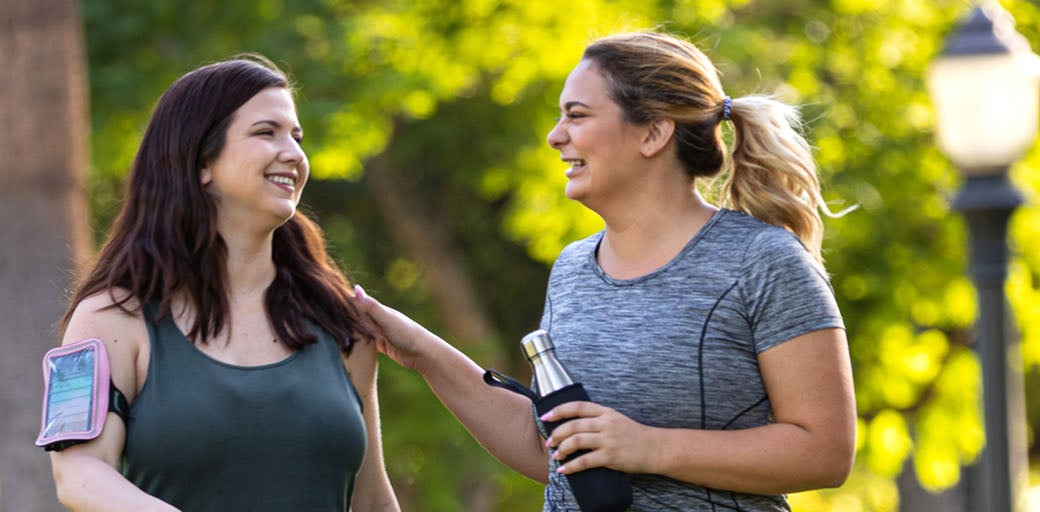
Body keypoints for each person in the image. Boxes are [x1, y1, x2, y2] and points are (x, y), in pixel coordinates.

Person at [354, 31, 855, 511]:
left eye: (577, 115)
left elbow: (825, 451)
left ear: (654, 132)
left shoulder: (761, 261)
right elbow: (552, 451)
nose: (555, 136)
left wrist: (648, 447)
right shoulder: (573, 267)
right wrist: (418, 350)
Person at [46, 55, 399, 511]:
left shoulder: (340, 321)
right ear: (200, 163)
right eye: (265, 132)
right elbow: (77, 474)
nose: (293, 153)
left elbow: (372, 502)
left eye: (296, 136)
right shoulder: (107, 318)